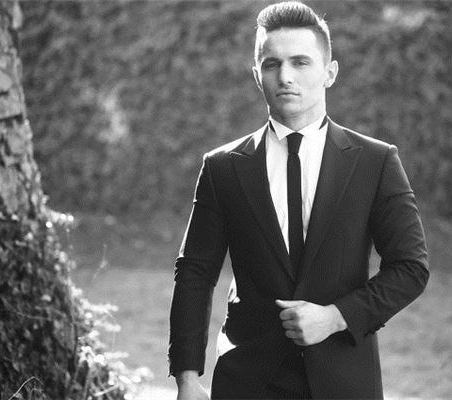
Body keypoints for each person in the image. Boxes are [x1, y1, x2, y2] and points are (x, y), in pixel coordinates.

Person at [169, 2, 429, 399]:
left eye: (300, 62)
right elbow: (194, 272)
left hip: (344, 382)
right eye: (271, 64)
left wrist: (336, 317)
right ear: (257, 76)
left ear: (330, 72)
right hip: (247, 383)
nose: (285, 76)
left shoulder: (376, 162)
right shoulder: (222, 168)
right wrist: (187, 378)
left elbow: (411, 267)